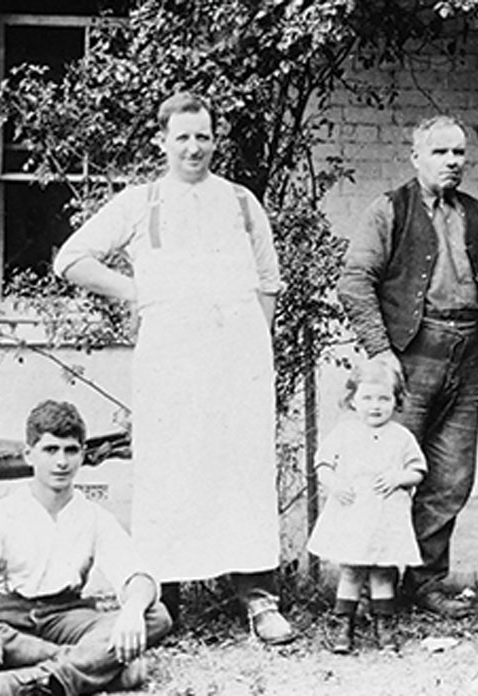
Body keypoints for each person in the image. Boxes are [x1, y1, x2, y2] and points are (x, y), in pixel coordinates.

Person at [53, 92, 296, 644]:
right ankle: (165, 599)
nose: (193, 147)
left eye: (203, 136)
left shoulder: (240, 202)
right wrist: (137, 292)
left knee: (241, 469)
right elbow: (71, 258)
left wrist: (259, 353)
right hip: (171, 359)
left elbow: (268, 282)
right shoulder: (141, 202)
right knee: (171, 468)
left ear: (216, 140)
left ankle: (257, 596)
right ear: (162, 141)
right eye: (182, 136)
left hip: (238, 357)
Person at [338, 115, 478, 618]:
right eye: (440, 152)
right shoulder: (389, 210)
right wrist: (380, 351)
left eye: (459, 153)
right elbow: (355, 281)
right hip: (410, 354)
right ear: (416, 157)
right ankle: (378, 584)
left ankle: (426, 583)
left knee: (451, 477)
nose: (453, 162)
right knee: (390, 470)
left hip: (468, 353)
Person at [0, 400, 173, 696]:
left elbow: (136, 575)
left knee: (155, 616)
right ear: (29, 455)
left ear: (82, 455)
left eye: (71, 450)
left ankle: (32, 682)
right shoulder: (2, 512)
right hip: (10, 614)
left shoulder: (94, 516)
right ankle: (101, 668)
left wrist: (131, 612)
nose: (61, 462)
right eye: (50, 450)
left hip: (67, 613)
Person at [307, 360, 426, 654]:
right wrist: (333, 483)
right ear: (352, 400)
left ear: (397, 401)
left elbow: (418, 470)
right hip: (354, 514)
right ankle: (343, 624)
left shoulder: (401, 437)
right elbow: (322, 464)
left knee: (384, 572)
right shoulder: (345, 432)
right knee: (351, 571)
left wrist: (400, 477)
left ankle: (384, 625)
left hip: (386, 516)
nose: (376, 406)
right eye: (367, 398)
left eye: (384, 398)